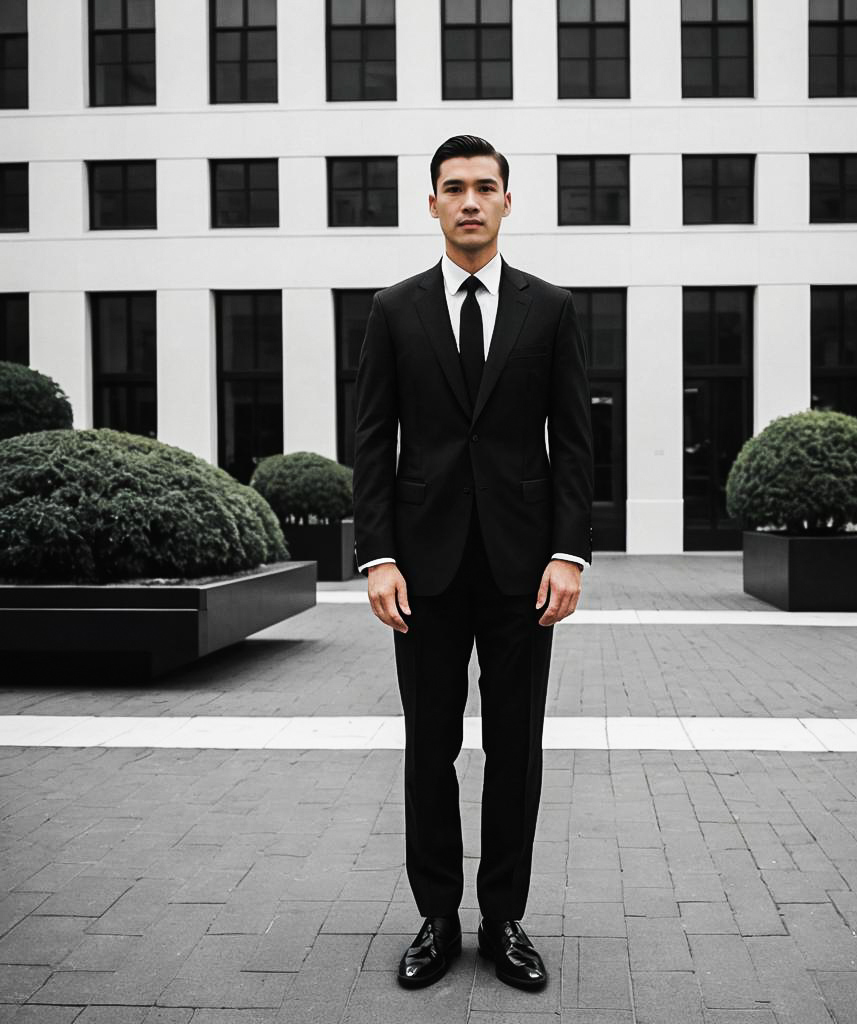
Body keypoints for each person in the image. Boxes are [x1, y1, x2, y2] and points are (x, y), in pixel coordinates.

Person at [353, 134, 594, 991]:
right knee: (430, 745)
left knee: (515, 749)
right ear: (431, 204)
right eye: (453, 188)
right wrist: (377, 555)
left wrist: (569, 553)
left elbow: (573, 440)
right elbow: (373, 440)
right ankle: (435, 918)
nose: (469, 201)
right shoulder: (394, 309)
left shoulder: (552, 308)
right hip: (421, 572)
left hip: (523, 572)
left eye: (484, 188)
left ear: (506, 202)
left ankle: (503, 920)